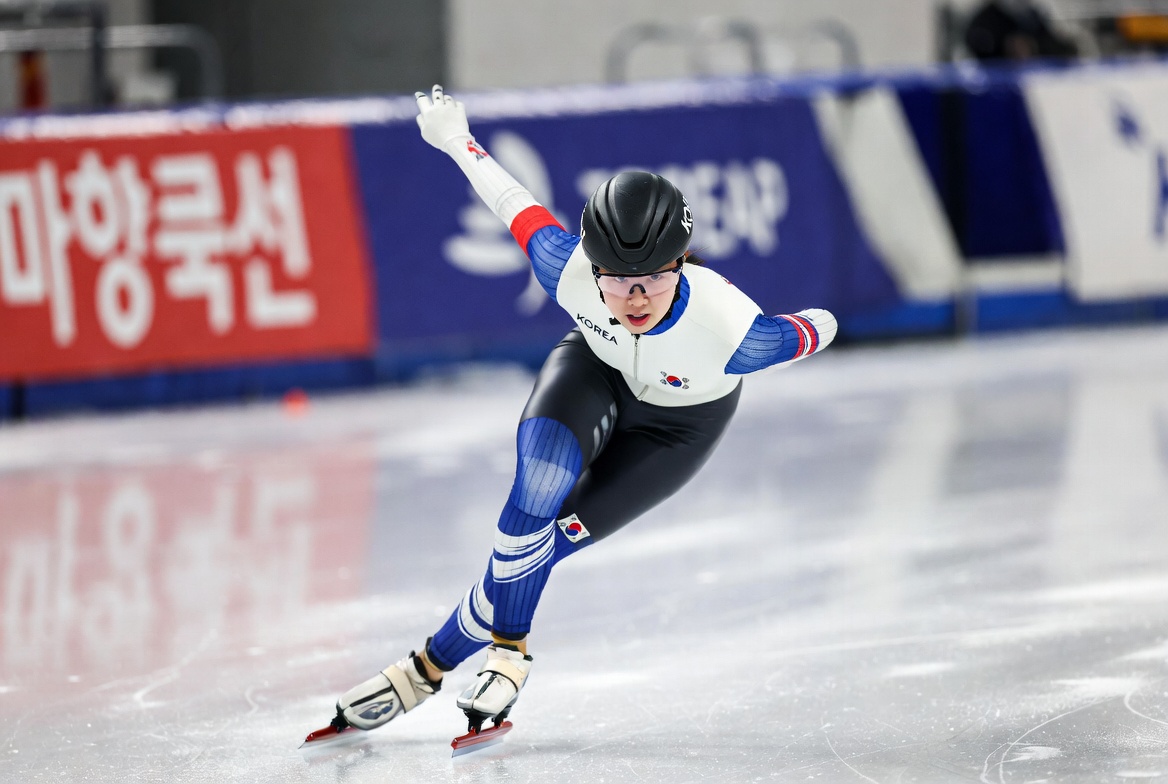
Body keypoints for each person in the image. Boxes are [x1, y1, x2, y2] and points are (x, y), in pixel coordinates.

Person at [327, 85, 838, 739]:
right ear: (592, 269)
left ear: (681, 263)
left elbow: (807, 330)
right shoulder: (564, 267)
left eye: (654, 278)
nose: (635, 297)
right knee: (536, 486)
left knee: (543, 549)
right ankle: (509, 654)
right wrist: (453, 137)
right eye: (617, 280)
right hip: (596, 370)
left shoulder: (734, 332)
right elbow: (513, 202)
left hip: (679, 427)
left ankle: (427, 667)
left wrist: (815, 327)